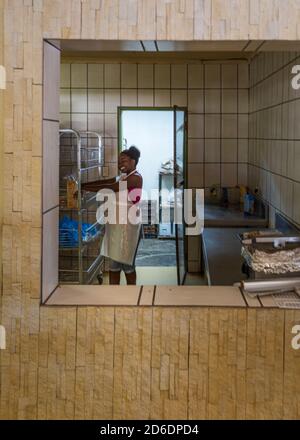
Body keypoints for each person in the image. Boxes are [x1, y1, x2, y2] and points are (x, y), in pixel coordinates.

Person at [81, 146, 143, 285]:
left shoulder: (135, 178)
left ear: (133, 161)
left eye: (124, 161)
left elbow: (111, 187)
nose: (121, 164)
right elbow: (106, 182)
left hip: (128, 227)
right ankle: (113, 296)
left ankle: (132, 296)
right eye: (120, 161)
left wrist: (84, 188)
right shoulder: (124, 176)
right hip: (117, 226)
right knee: (114, 264)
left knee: (127, 264)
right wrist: (83, 184)